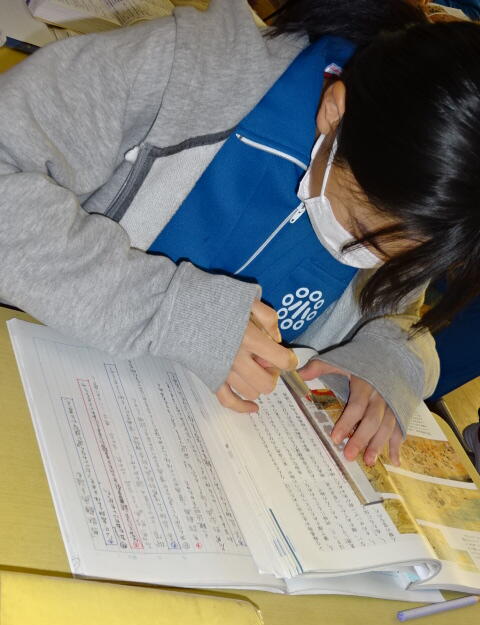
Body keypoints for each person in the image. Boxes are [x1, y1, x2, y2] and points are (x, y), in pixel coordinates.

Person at [0, 0, 479, 467]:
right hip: (33, 377)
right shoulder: (186, 68)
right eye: (358, 229)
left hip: (178, 440)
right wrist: (169, 312)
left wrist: (389, 359)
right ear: (335, 112)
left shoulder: (420, 201)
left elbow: (398, 310)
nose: (367, 259)